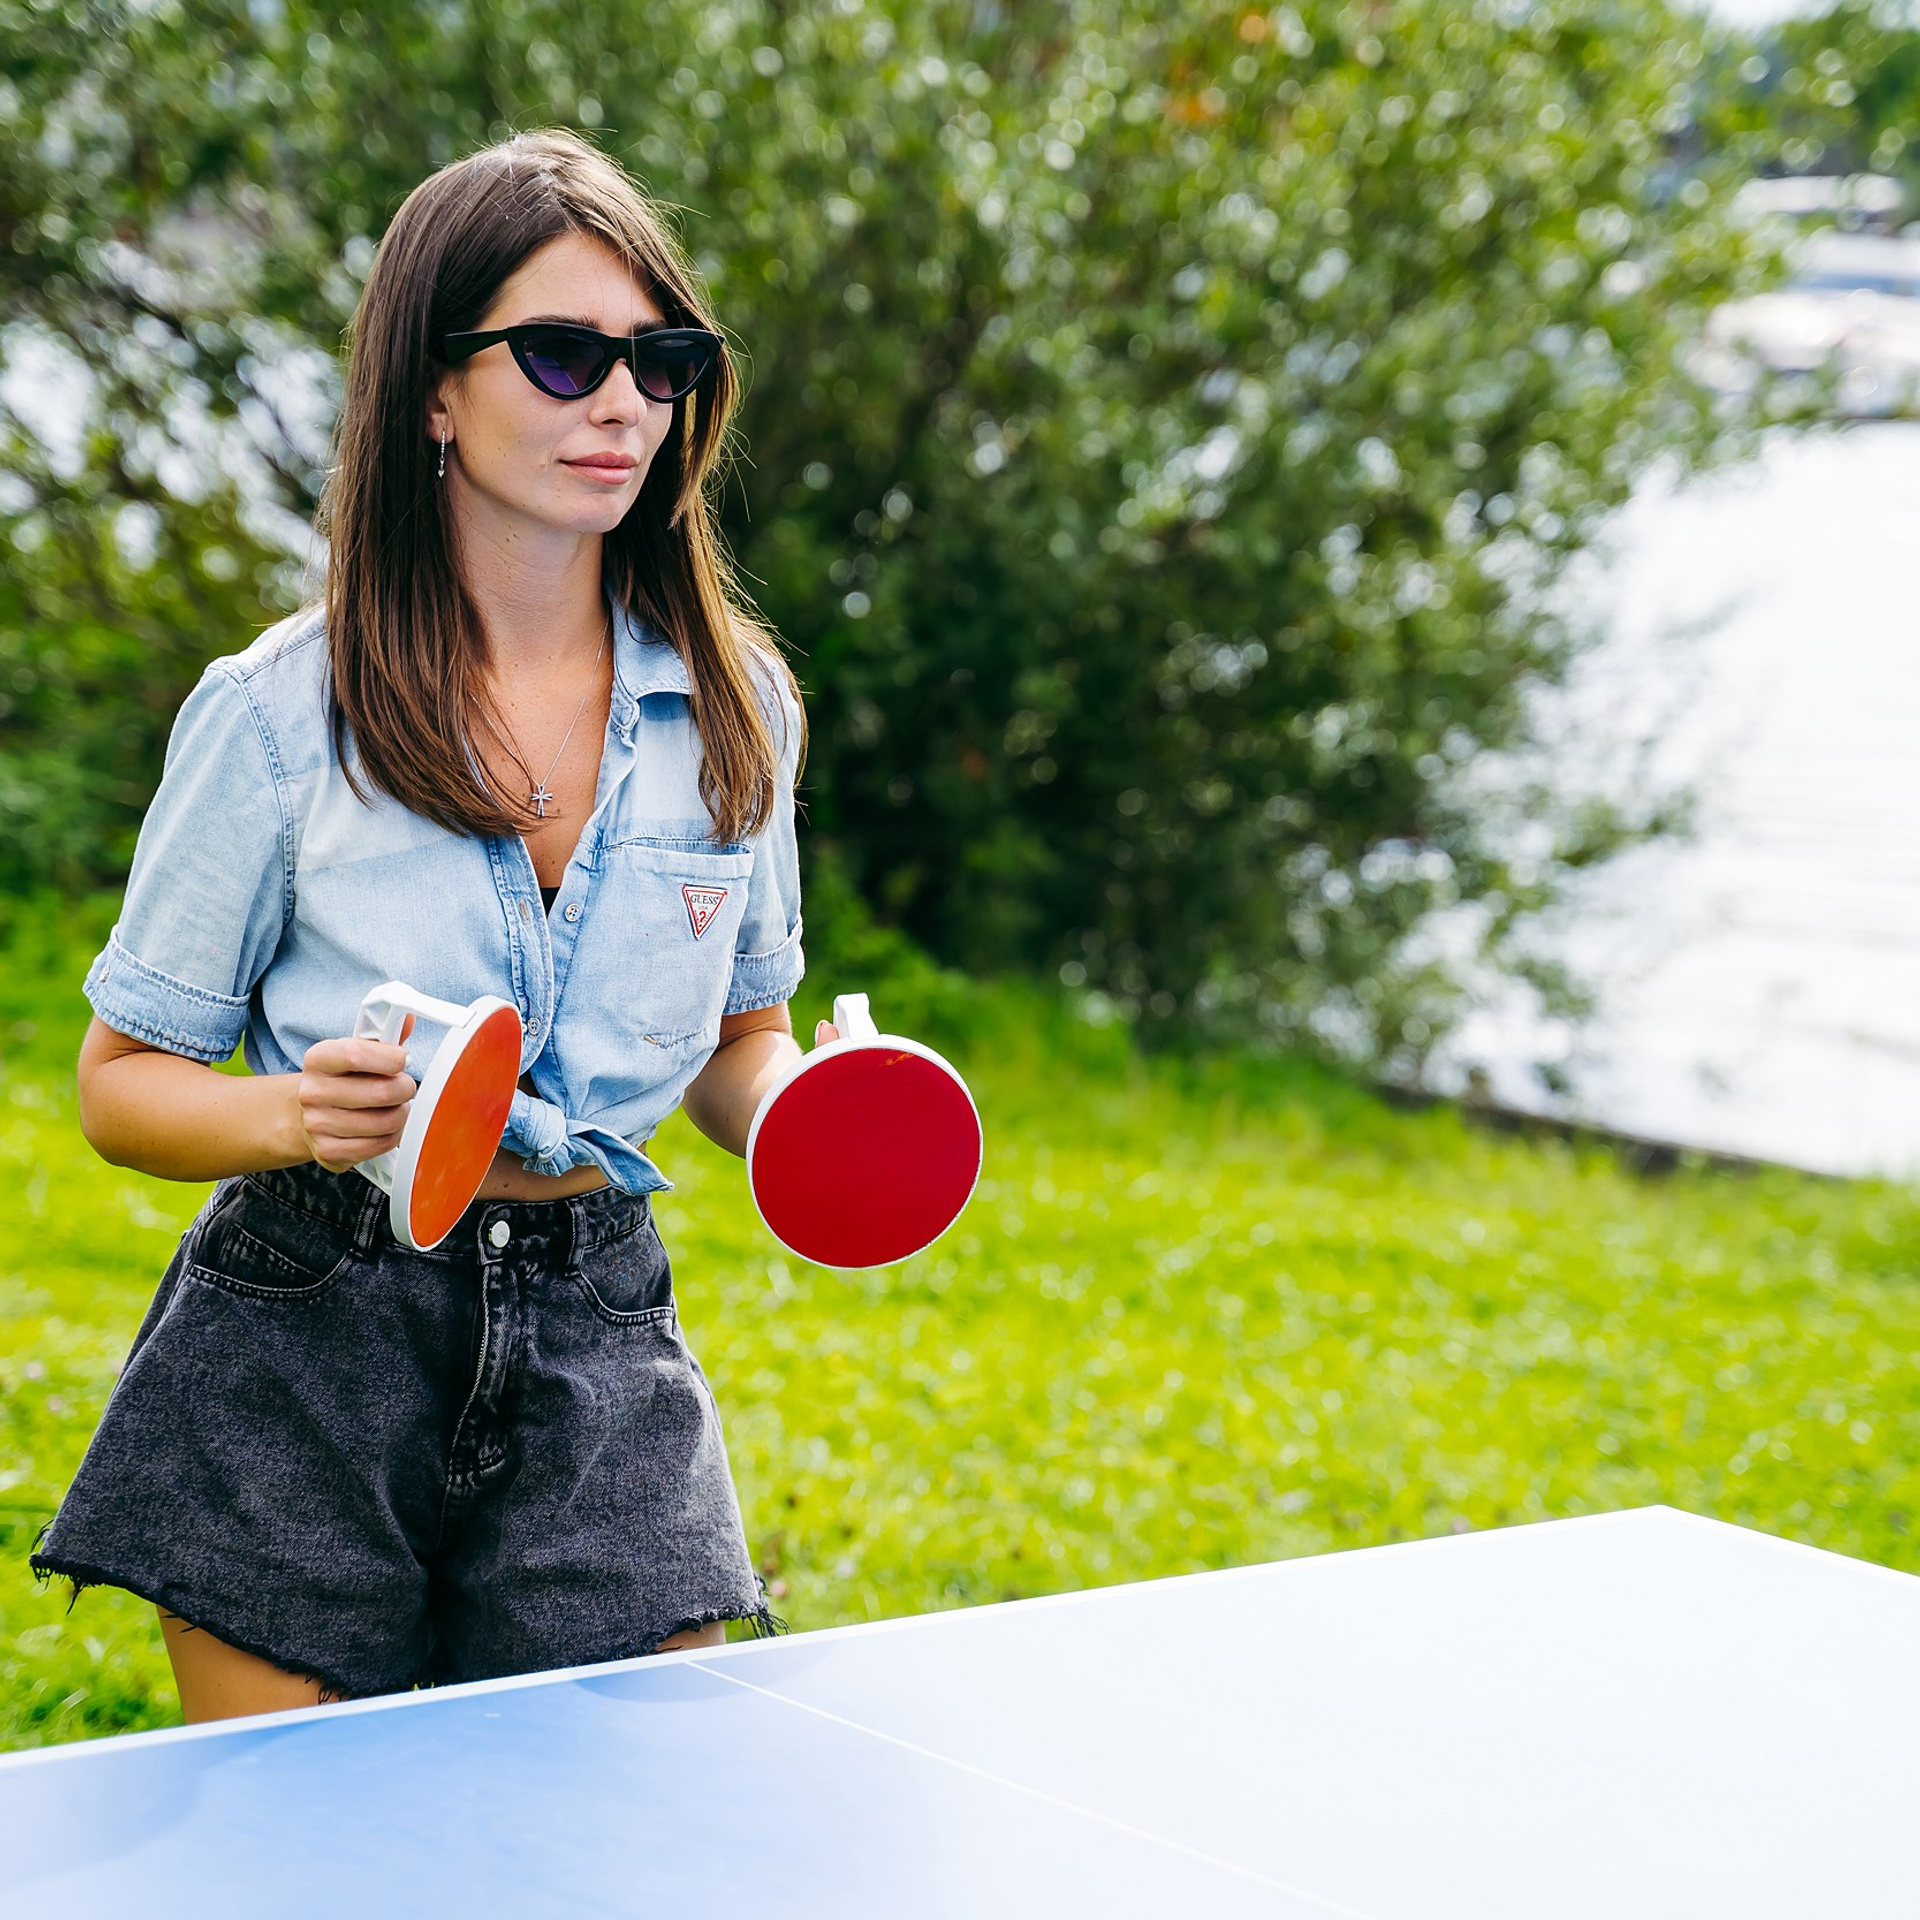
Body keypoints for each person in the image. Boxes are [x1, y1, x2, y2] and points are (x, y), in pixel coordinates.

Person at [31, 129, 833, 1722]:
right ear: (432, 392)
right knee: (295, 1863)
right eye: (561, 354)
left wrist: (813, 1116)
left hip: (601, 1324)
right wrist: (296, 1117)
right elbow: (120, 1085)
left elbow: (739, 1046)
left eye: (659, 361)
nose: (621, 404)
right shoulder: (274, 717)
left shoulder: (741, 709)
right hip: (305, 1332)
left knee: (637, 1841)